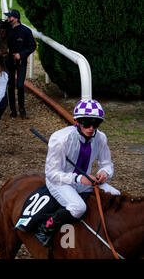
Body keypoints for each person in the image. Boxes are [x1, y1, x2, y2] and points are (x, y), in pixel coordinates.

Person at [35, 99, 121, 247]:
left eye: (96, 124)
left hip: (84, 181)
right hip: (60, 182)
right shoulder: (60, 139)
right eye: (86, 123)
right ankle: (45, 228)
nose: (91, 128)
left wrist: (104, 173)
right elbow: (51, 173)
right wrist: (79, 178)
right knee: (78, 207)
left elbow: (107, 164)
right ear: (76, 121)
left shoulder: (101, 138)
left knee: (116, 196)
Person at [4, 9, 36, 119]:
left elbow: (32, 46)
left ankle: (22, 108)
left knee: (20, 85)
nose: (8, 19)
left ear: (16, 18)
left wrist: (21, 54)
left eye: (10, 17)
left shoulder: (26, 31)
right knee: (10, 85)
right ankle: (13, 109)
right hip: (9, 62)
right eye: (8, 17)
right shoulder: (6, 29)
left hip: (21, 62)